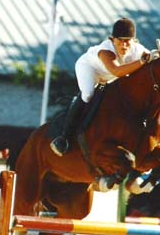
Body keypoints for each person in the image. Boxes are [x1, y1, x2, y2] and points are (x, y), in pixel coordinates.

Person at [50, 17, 151, 156]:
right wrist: (141, 62)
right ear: (112, 39)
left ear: (134, 41)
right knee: (88, 94)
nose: (124, 45)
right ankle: (64, 137)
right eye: (120, 41)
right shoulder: (106, 51)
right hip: (90, 69)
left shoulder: (138, 50)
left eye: (128, 41)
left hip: (110, 75)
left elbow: (155, 61)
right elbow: (117, 71)